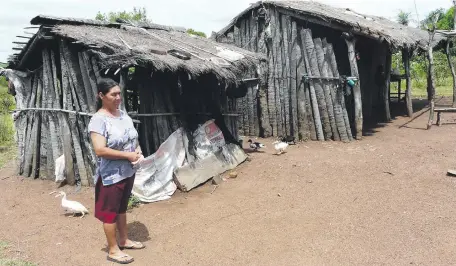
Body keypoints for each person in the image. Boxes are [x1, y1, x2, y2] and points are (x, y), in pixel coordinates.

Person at [88, 78, 145, 264]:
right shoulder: (98, 120)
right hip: (110, 176)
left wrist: (137, 150)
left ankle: (124, 240)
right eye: (114, 94)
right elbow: (100, 150)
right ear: (101, 95)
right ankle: (113, 250)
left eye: (119, 93)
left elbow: (132, 136)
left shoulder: (122, 114)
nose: (118, 97)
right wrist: (127, 156)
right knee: (109, 212)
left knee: (121, 208)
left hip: (127, 171)